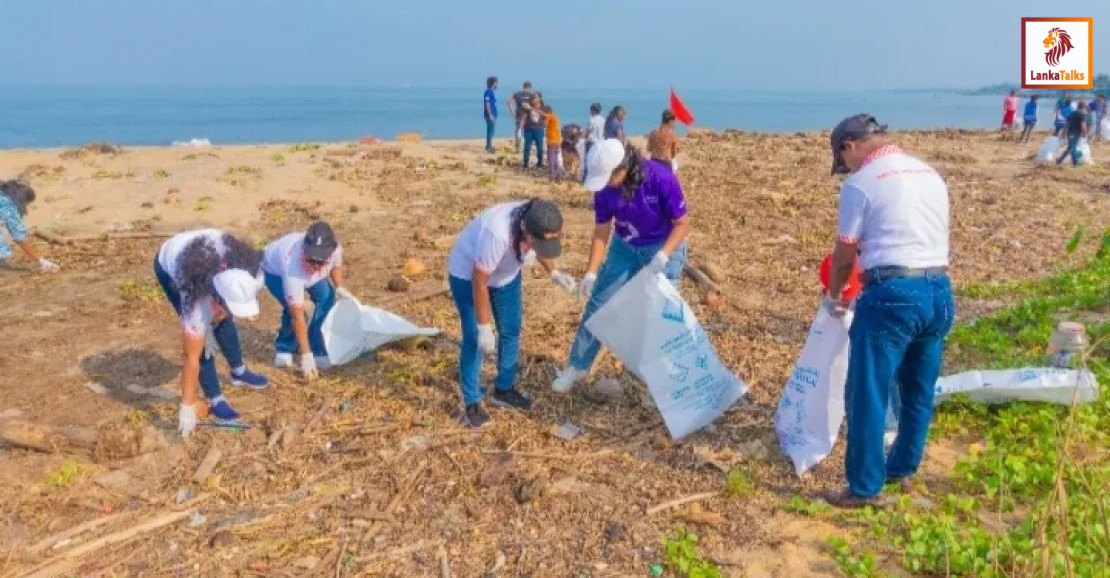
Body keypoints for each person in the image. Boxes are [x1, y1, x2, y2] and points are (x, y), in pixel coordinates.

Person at [821, 114, 952, 508]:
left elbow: (846, 251)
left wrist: (834, 294)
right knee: (917, 390)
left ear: (849, 146)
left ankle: (864, 487)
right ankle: (902, 467)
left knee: (869, 390)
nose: (845, 167)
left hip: (893, 292)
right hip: (939, 289)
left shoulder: (861, 183)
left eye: (842, 160)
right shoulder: (929, 173)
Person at [551, 139, 690, 392]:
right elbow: (602, 231)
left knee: (663, 313)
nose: (603, 185)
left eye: (607, 178)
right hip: (624, 247)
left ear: (622, 169)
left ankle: (671, 377)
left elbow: (682, 224)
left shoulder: (660, 178)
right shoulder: (604, 189)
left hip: (663, 246)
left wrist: (663, 256)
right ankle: (578, 366)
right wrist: (591, 272)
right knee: (598, 303)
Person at [447, 200, 575, 427]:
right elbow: (479, 281)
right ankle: (472, 401)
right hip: (469, 277)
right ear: (524, 229)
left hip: (506, 276)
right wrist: (484, 327)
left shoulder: (537, 218)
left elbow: (539, 245)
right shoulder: (497, 234)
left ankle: (503, 390)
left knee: (511, 329)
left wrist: (554, 272)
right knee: (474, 338)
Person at [154, 229, 269, 436]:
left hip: (207, 256)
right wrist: (187, 408)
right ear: (216, 296)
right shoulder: (194, 298)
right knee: (200, 344)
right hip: (170, 264)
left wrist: (222, 312)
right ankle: (215, 397)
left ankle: (238, 371)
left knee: (223, 319)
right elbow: (190, 358)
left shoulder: (247, 271)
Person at [262, 221, 349, 381]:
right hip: (274, 272)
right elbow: (297, 315)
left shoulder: (335, 250)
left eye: (321, 261)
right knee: (292, 309)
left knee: (327, 297)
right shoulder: (291, 267)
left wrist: (339, 287)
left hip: (307, 275)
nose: (315, 265)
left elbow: (336, 266)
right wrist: (306, 356)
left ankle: (317, 346)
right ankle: (285, 346)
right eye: (311, 259)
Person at [0, 180, 59, 272]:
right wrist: (41, 260)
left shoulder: (2, 194)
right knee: (3, 252)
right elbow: (19, 237)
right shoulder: (8, 205)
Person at [1057, 102, 1089, 167]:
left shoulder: (1072, 113)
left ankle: (1075, 164)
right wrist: (1085, 134)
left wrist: (1063, 132)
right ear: (1083, 107)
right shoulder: (1082, 115)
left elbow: (1067, 124)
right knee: (1071, 148)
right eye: (1085, 108)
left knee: (1073, 148)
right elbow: (1083, 125)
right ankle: (1059, 161)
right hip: (1075, 133)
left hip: (1070, 132)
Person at [507, 81, 535, 152]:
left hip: (519, 114)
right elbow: (536, 105)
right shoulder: (532, 95)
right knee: (529, 131)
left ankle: (517, 147)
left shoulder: (517, 94)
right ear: (530, 87)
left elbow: (509, 102)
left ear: (523, 87)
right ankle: (527, 146)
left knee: (518, 130)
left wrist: (512, 113)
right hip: (529, 114)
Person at [521, 93, 546, 170]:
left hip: (539, 130)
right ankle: (525, 165)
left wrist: (545, 126)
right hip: (528, 129)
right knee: (527, 147)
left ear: (540, 99)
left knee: (540, 148)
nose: (534, 99)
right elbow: (524, 117)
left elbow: (546, 117)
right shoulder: (527, 107)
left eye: (535, 98)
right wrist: (521, 128)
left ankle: (539, 164)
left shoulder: (543, 108)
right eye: (533, 98)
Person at [582, 103, 606, 182]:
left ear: (593, 111)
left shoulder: (591, 120)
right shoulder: (603, 120)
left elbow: (588, 132)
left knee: (588, 160)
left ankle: (586, 178)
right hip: (601, 142)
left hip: (592, 142)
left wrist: (583, 135)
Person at [544, 105, 563, 181]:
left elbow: (545, 124)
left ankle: (552, 176)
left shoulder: (550, 116)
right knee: (555, 159)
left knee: (551, 159)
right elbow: (558, 130)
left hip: (551, 141)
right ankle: (558, 176)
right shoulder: (555, 117)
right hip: (556, 141)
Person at [483, 76, 498, 154]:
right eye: (496, 83)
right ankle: (488, 147)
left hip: (493, 115)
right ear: (493, 83)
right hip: (490, 115)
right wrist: (490, 114)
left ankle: (489, 145)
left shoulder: (492, 92)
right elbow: (487, 103)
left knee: (492, 131)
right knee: (490, 131)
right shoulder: (488, 92)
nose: (497, 85)